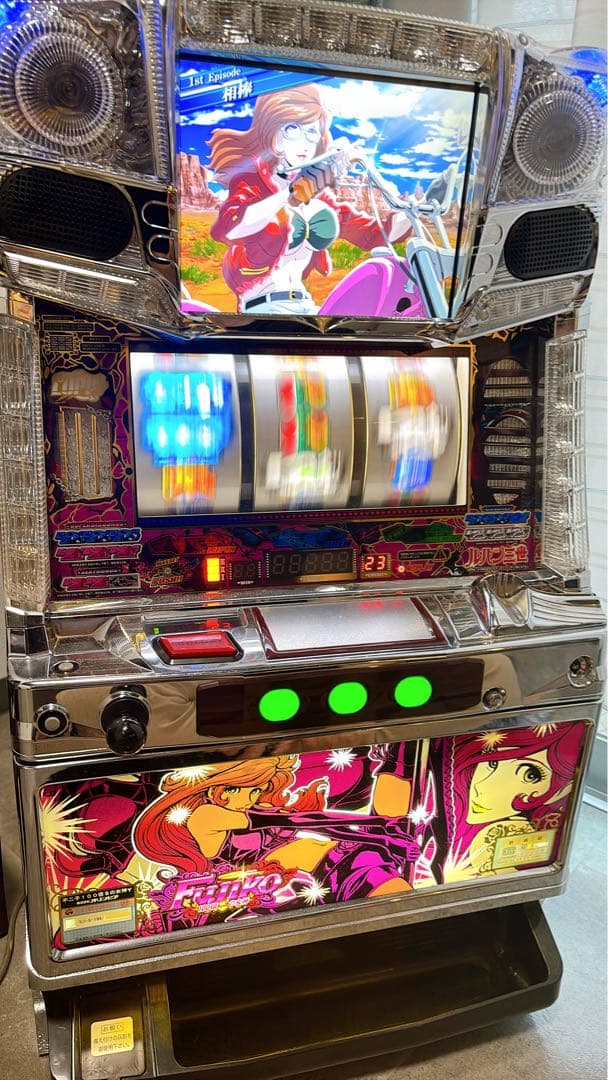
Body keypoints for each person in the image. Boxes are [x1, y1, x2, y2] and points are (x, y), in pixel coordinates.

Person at [208, 84, 412, 314]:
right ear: (273, 132)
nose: (305, 141)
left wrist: (415, 211)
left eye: (312, 132)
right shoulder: (252, 182)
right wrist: (291, 194)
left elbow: (374, 234)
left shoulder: (318, 195)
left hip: (304, 305)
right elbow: (230, 228)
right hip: (262, 307)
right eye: (293, 129)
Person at [132, 750, 421, 909]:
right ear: (220, 791)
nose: (254, 797)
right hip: (336, 869)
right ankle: (398, 757)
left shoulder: (248, 810)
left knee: (403, 912)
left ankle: (400, 752)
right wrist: (379, 830)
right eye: (248, 789)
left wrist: (380, 835)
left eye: (258, 789)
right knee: (402, 908)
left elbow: (316, 823)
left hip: (340, 863)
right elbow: (303, 821)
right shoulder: (207, 816)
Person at [440, 722, 586, 880]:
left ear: (560, 791)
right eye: (492, 762)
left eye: (530, 775)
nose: (480, 786)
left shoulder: (503, 838)